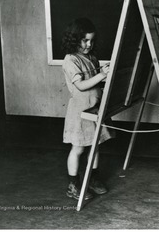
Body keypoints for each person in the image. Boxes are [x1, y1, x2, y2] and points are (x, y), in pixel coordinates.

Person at [62, 18, 114, 201]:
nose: (89, 44)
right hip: (80, 112)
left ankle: (93, 179)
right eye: (84, 40)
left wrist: (105, 75)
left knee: (95, 145)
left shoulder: (92, 57)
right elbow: (82, 86)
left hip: (94, 110)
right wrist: (101, 75)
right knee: (78, 148)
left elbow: (97, 82)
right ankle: (73, 185)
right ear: (74, 39)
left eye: (92, 40)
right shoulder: (70, 60)